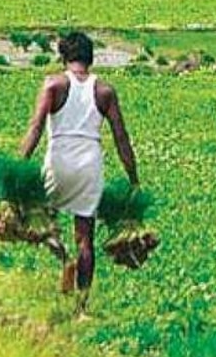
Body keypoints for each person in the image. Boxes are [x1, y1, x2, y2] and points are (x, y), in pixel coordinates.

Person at [20, 31, 140, 312]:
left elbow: (35, 128)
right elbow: (122, 138)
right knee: (85, 238)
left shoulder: (53, 84)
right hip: (89, 164)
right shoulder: (105, 91)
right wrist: (133, 179)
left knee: (39, 219)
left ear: (64, 57)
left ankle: (62, 257)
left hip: (59, 159)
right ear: (90, 59)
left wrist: (20, 164)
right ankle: (81, 306)